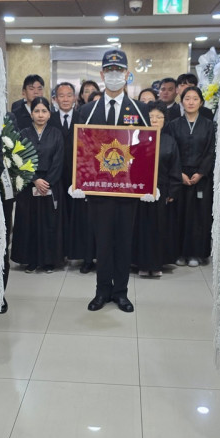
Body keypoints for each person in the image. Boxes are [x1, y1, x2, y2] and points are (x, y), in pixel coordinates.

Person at [72, 49, 149, 312]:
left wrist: (148, 182)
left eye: (119, 70)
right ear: (102, 74)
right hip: (99, 188)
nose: (114, 74)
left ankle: (121, 292)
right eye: (109, 70)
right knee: (102, 242)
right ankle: (102, 291)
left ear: (127, 74)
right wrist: (78, 180)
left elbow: (146, 149)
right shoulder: (87, 110)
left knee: (124, 242)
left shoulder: (139, 109)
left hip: (127, 189)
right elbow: (80, 149)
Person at [11, 97, 65, 273]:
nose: (40, 115)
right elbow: (19, 159)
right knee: (30, 222)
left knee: (49, 223)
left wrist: (46, 182)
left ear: (49, 114)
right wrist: (34, 179)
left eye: (44, 111)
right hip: (29, 184)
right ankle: (31, 260)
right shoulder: (23, 134)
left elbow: (58, 161)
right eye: (36, 111)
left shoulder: (56, 134)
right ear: (31, 114)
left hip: (50, 184)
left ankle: (49, 261)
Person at [166, 86, 214, 267]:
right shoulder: (173, 125)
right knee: (179, 214)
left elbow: (211, 151)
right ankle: (179, 253)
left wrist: (201, 172)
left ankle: (196, 253)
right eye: (187, 98)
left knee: (199, 216)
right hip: (179, 176)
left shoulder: (209, 125)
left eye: (195, 98)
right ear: (182, 101)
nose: (191, 102)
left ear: (201, 102)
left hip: (201, 178)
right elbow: (171, 150)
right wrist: (179, 173)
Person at [133, 102, 181, 277]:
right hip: (139, 191)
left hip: (161, 191)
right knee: (141, 228)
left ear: (164, 120)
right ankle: (141, 264)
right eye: (151, 117)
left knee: (159, 227)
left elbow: (175, 167)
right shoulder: (136, 138)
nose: (154, 120)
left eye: (159, 117)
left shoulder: (169, 141)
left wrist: (172, 192)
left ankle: (157, 264)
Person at [49, 83, 76, 256]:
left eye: (69, 95)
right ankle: (59, 251)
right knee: (57, 213)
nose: (65, 99)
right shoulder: (49, 119)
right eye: (61, 95)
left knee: (76, 213)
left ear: (75, 98)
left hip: (77, 174)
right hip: (55, 174)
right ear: (55, 99)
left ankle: (75, 250)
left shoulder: (83, 117)